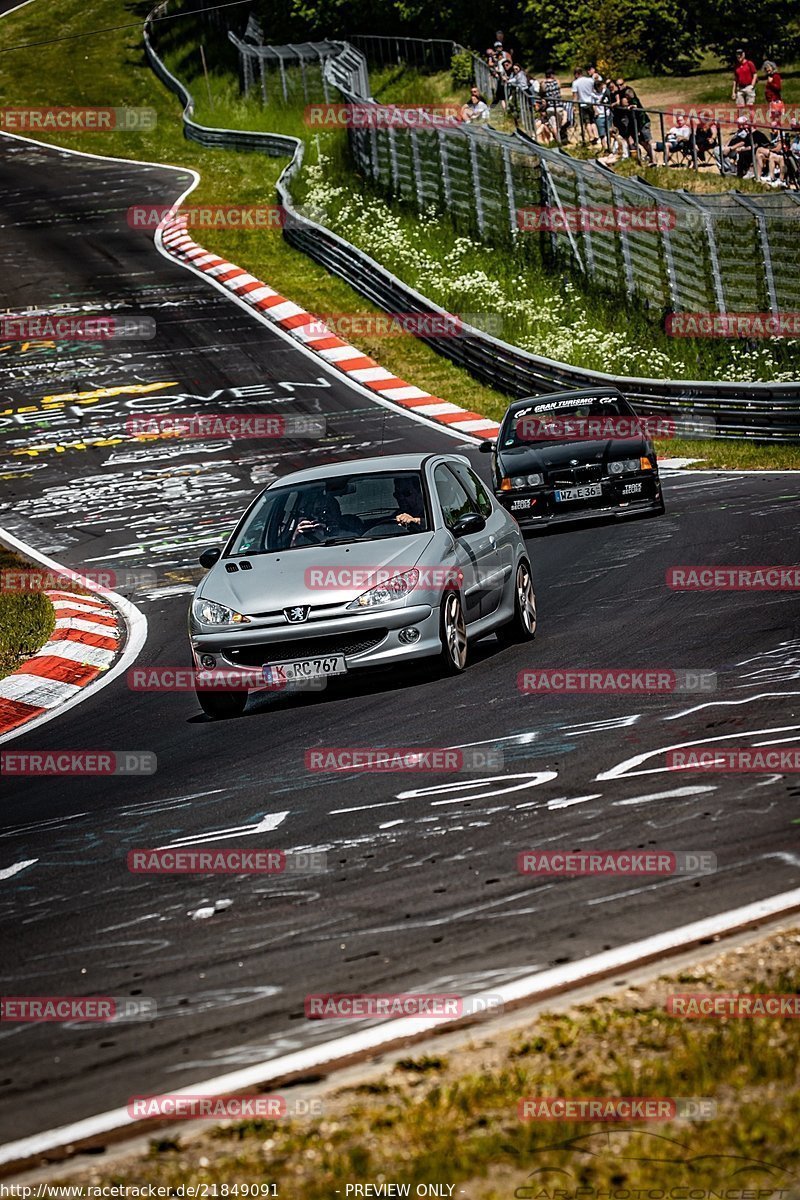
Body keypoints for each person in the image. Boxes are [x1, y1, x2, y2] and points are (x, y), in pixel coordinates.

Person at [571, 67, 599, 143]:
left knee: (587, 122)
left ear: (576, 74)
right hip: (591, 102)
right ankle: (596, 135)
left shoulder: (575, 83)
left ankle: (591, 137)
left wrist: (574, 106)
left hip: (583, 104)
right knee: (593, 121)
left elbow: (575, 96)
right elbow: (594, 90)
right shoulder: (590, 80)